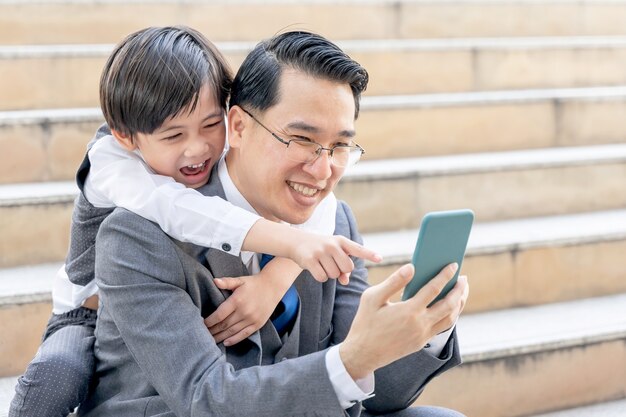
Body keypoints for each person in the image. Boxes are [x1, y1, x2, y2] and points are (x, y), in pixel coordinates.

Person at [78, 30, 469, 416]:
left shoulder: (334, 221)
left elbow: (379, 395)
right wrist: (349, 361)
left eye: (340, 146)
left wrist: (428, 330)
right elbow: (206, 398)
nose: (322, 169)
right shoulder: (136, 235)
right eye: (301, 139)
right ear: (239, 125)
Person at [9, 27, 379, 417]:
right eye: (174, 135)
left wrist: (279, 275)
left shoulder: (217, 160)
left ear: (232, 118)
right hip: (83, 311)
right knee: (57, 373)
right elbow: (184, 213)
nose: (198, 147)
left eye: (210, 124)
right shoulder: (113, 166)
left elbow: (325, 202)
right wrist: (291, 246)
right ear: (126, 136)